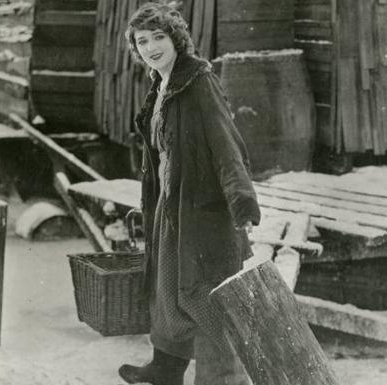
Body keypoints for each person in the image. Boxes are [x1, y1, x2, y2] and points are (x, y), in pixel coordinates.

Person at [119, 2, 261, 385]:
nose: (151, 47)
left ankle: (219, 380)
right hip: (171, 203)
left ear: (177, 39)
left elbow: (226, 144)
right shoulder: (161, 83)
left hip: (202, 209)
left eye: (159, 37)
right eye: (142, 40)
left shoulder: (197, 79)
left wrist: (241, 202)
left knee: (206, 301)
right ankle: (166, 368)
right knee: (166, 290)